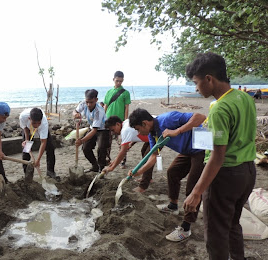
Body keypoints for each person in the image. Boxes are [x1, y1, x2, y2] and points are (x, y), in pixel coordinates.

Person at [184, 52, 256, 260]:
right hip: (248, 171)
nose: (196, 89)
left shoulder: (220, 109)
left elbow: (217, 156)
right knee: (233, 223)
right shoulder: (244, 98)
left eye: (196, 83)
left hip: (225, 175)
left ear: (209, 79)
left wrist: (197, 192)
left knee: (216, 235)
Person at [128, 108, 206, 242]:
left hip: (202, 146)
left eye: (137, 129)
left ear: (145, 123)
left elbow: (200, 117)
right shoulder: (153, 134)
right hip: (188, 150)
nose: (138, 132)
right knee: (172, 172)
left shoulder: (168, 118)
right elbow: (153, 156)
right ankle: (173, 205)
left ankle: (186, 228)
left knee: (192, 187)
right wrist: (139, 172)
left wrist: (177, 131)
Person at [104, 116, 151, 182]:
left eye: (113, 130)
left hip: (155, 134)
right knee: (144, 151)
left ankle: (146, 181)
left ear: (118, 124)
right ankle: (148, 177)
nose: (113, 133)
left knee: (147, 156)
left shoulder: (125, 130)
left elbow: (123, 151)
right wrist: (112, 164)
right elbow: (135, 133)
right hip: (150, 136)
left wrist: (112, 168)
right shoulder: (126, 122)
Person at [73, 89, 110, 173]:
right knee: (85, 148)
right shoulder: (83, 103)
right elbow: (75, 111)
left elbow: (94, 130)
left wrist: (82, 140)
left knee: (101, 148)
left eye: (91, 102)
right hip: (92, 127)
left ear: (96, 100)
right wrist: (75, 114)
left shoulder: (99, 111)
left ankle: (101, 168)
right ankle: (94, 165)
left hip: (103, 129)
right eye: (87, 102)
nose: (88, 104)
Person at [19, 107, 60, 181]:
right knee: (26, 150)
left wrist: (38, 160)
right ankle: (27, 175)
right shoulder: (23, 117)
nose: (36, 125)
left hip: (41, 129)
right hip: (28, 129)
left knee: (50, 148)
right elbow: (25, 127)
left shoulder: (44, 123)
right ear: (29, 118)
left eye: (39, 123)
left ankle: (50, 172)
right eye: (34, 123)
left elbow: (43, 142)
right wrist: (27, 140)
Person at [104, 71, 132, 168]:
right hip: (108, 120)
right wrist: (103, 118)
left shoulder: (125, 93)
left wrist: (125, 120)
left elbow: (126, 107)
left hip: (119, 122)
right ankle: (107, 160)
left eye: (120, 81)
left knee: (122, 142)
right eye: (117, 81)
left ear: (123, 80)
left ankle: (123, 161)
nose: (118, 83)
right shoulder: (109, 92)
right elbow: (106, 105)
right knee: (107, 143)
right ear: (113, 79)